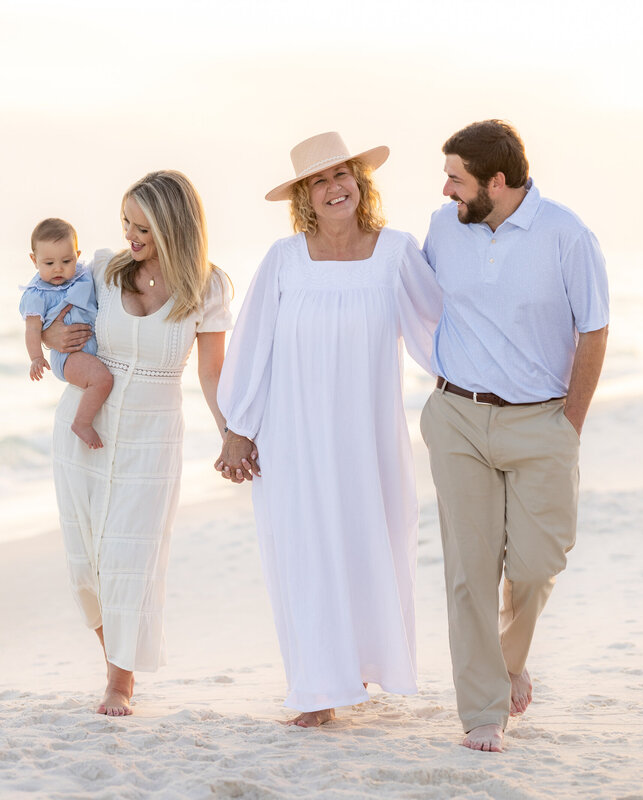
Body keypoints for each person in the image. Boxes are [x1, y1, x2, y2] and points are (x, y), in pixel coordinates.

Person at [215, 132, 442, 727]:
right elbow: (251, 346)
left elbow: (438, 332)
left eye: (342, 174)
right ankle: (317, 690)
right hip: (294, 438)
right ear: (305, 199)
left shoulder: (396, 252)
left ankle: (356, 667)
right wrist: (238, 427)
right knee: (304, 552)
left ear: (360, 183)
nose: (334, 187)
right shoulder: (284, 259)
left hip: (367, 437)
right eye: (319, 181)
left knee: (372, 542)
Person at [419, 120, 609, 752]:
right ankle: (482, 712)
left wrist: (569, 426)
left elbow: (594, 329)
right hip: (458, 419)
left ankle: (509, 657)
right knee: (470, 572)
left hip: (542, 421)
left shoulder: (566, 235)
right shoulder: (445, 228)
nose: (445, 189)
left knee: (535, 563)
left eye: (456, 177)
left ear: (496, 182)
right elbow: (419, 301)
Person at [41, 170, 232, 716]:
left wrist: (230, 434)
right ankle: (114, 662)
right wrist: (49, 338)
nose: (130, 234)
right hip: (85, 427)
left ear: (175, 225)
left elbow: (212, 373)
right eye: (126, 221)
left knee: (132, 559)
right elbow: (45, 305)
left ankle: (119, 681)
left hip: (153, 436)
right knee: (87, 561)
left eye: (142, 225)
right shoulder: (101, 269)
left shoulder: (208, 286)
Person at [21, 218, 114, 449]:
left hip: (89, 348)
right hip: (68, 356)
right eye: (49, 262)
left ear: (77, 254)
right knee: (102, 380)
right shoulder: (37, 294)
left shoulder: (83, 275)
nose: (58, 269)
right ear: (34, 261)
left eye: (66, 260)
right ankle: (82, 423)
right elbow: (32, 329)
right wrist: (36, 357)